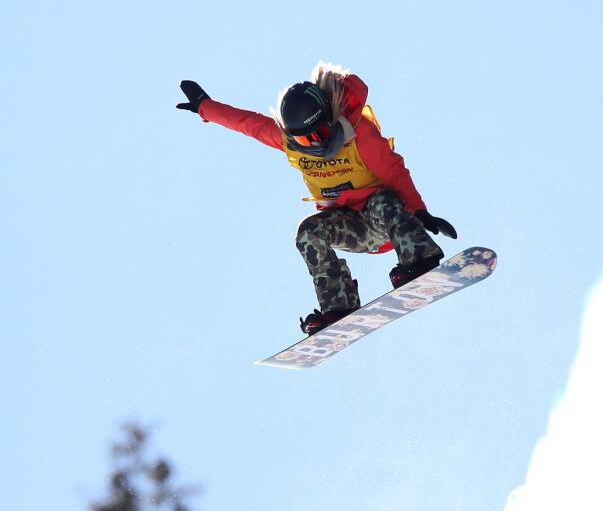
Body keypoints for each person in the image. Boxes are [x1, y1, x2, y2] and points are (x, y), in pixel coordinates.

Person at [175, 62, 457, 335]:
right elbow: (248, 124)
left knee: (382, 200)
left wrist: (419, 212)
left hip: (385, 222)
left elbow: (394, 172)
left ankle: (419, 259)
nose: (317, 142)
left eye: (321, 132)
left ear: (330, 118)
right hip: (352, 227)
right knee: (308, 232)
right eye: (307, 140)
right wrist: (204, 107)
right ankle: (338, 305)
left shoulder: (358, 134)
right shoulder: (290, 144)